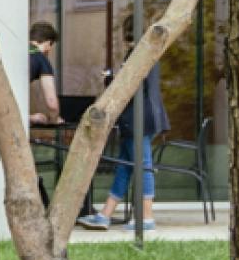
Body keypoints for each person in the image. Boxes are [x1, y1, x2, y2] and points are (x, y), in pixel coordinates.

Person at [77, 62, 168, 232]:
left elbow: (131, 86)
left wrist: (111, 79)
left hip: (137, 120)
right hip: (133, 120)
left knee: (143, 167)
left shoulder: (144, 53)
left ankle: (147, 218)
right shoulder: (145, 54)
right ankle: (105, 215)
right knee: (124, 168)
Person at [28, 22, 64, 126]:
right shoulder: (41, 58)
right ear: (48, 43)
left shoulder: (14, 51)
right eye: (51, 45)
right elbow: (52, 103)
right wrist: (54, 119)